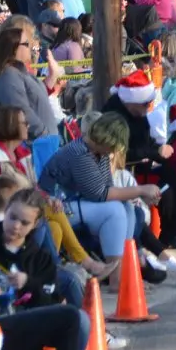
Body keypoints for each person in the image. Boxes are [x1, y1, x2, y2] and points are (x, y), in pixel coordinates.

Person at [38, 114, 158, 285]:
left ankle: (122, 274)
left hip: (73, 205)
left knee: (127, 208)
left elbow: (108, 187)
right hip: (55, 205)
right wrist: (140, 190)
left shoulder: (98, 153)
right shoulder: (79, 153)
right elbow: (101, 194)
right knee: (114, 210)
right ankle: (115, 278)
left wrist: (138, 193)